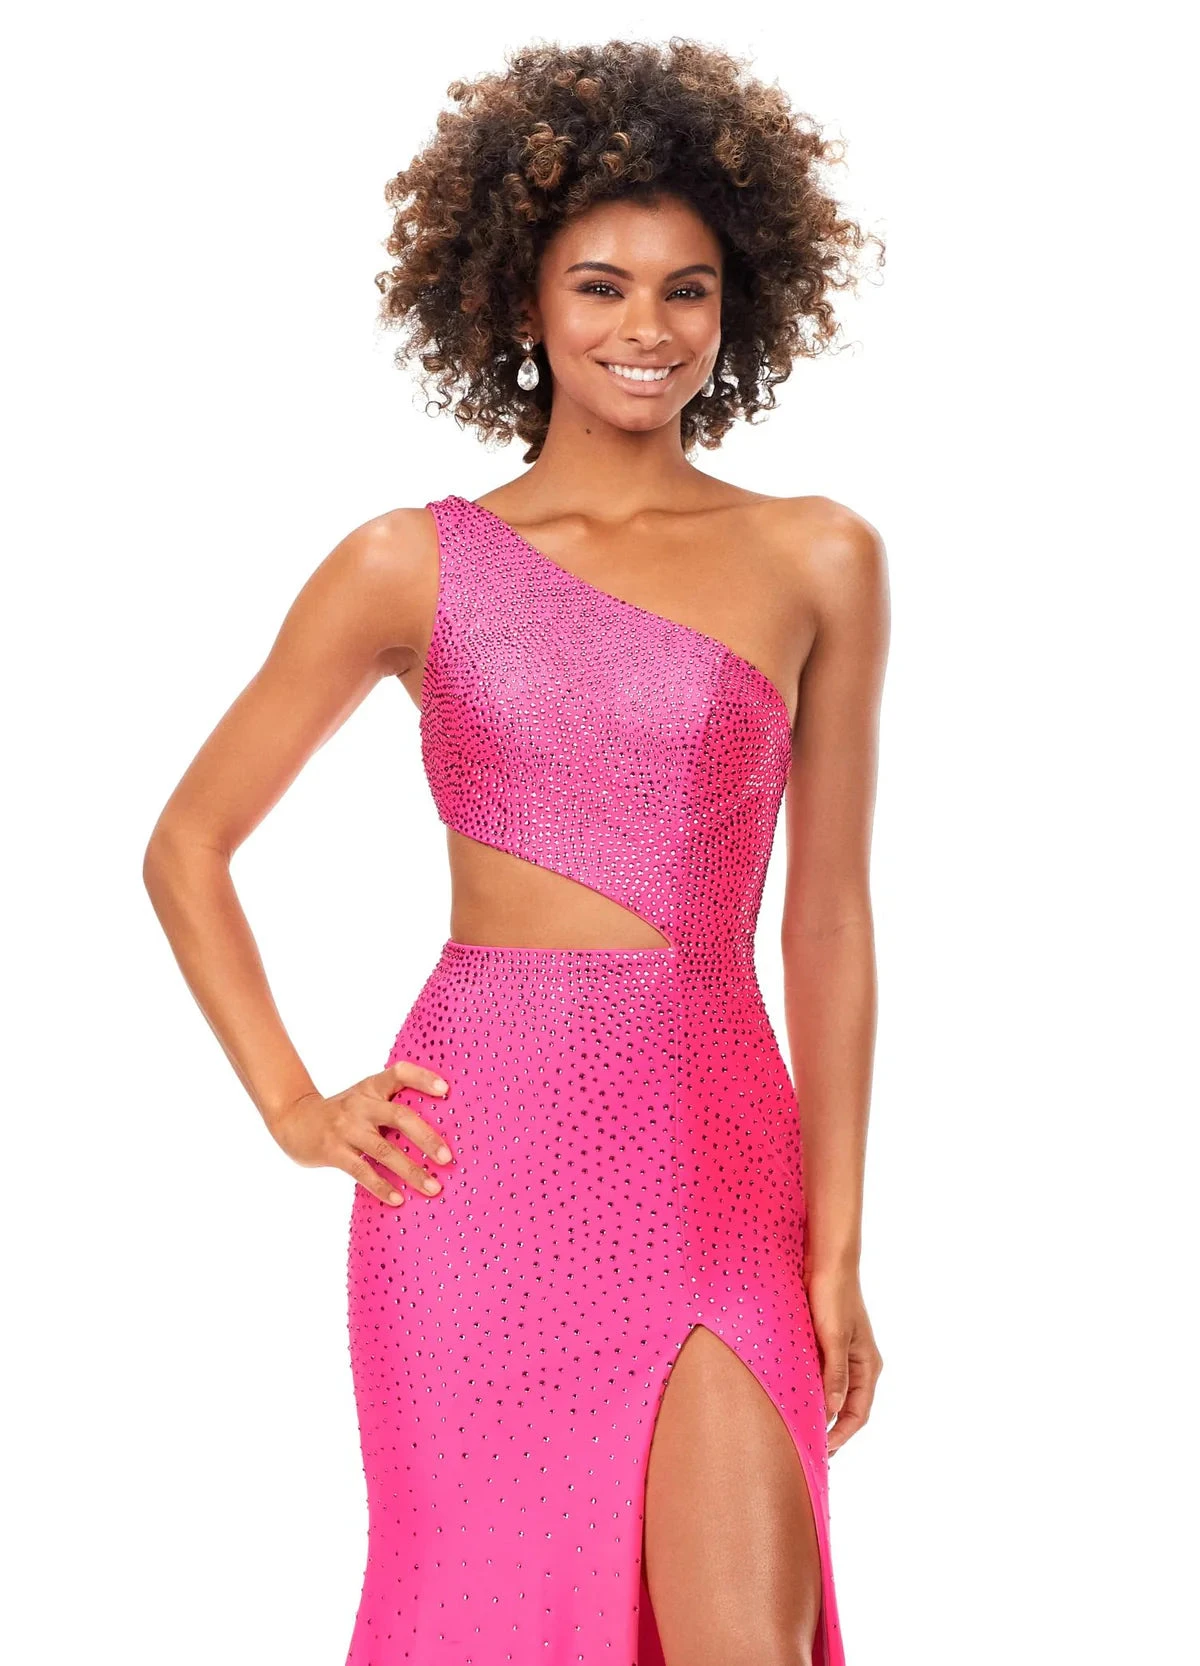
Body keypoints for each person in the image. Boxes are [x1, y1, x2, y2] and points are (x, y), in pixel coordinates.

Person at [143, 37, 888, 1666]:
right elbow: (189, 843)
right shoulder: (408, 562)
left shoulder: (817, 554)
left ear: (739, 305)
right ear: (521, 303)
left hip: (717, 1152)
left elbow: (827, 923)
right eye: (600, 287)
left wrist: (835, 1248)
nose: (646, 329)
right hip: (477, 1166)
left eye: (687, 291)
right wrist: (294, 1104)